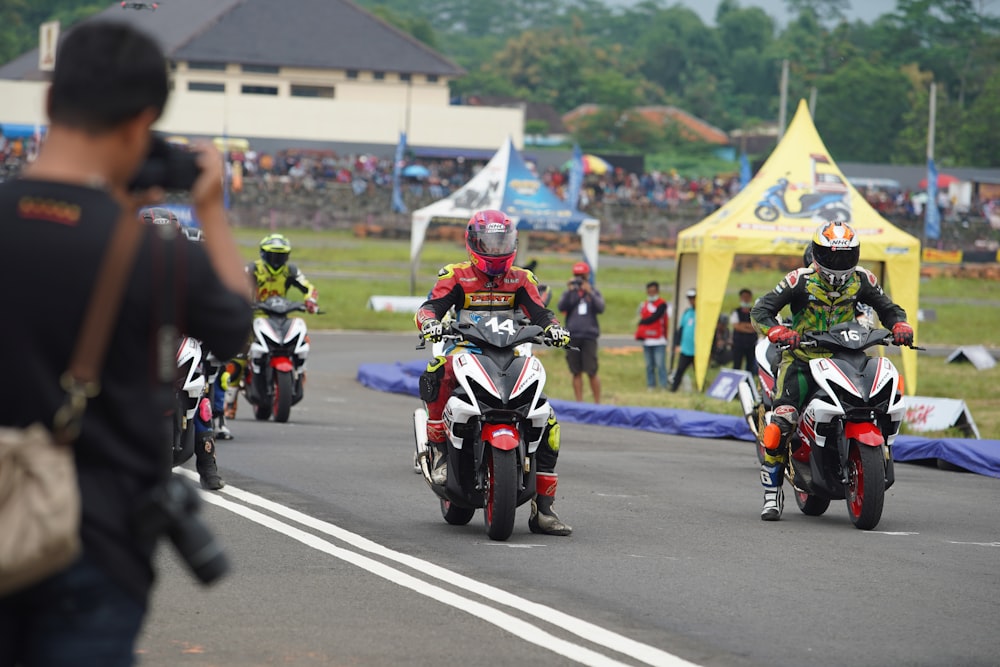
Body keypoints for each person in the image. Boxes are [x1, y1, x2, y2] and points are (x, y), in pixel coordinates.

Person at [0, 21, 251, 665]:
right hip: (95, 545)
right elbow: (233, 328)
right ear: (145, 120)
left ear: (50, 103)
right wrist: (212, 207)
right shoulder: (157, 254)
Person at [415, 209, 573, 536]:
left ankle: (544, 510)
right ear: (472, 242)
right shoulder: (455, 275)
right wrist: (430, 323)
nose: (496, 248)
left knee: (547, 417)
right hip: (466, 350)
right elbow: (432, 306)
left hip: (511, 353)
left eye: (502, 241)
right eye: (488, 241)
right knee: (437, 369)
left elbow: (542, 313)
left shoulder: (522, 278)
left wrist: (556, 329)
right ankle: (440, 451)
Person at [750, 221, 914, 521]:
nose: (839, 263)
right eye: (832, 255)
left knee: (877, 399)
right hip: (801, 361)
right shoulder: (798, 280)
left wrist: (899, 325)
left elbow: (888, 308)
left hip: (847, 356)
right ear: (816, 253)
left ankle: (875, 452)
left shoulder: (863, 278)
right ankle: (771, 494)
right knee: (781, 423)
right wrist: (776, 332)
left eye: (846, 255)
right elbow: (760, 310)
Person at [139, 207, 226, 489]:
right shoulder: (120, 266)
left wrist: (213, 323)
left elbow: (210, 302)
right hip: (135, 343)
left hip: (180, 338)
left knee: (199, 395)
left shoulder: (188, 269)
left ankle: (208, 465)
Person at [224, 233, 319, 418]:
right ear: (263, 253)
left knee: (302, 339)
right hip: (254, 316)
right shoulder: (252, 269)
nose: (277, 260)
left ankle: (300, 372)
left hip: (280, 315)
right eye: (273, 255)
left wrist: (310, 301)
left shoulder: (290, 270)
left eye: (281, 256)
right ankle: (230, 402)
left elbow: (309, 287)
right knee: (239, 354)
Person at [557, 261, 605, 403]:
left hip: (589, 336)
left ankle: (597, 402)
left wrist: (589, 291)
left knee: (592, 370)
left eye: (582, 277)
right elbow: (561, 307)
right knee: (576, 371)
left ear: (587, 276)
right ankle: (579, 402)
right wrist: (571, 290)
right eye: (577, 276)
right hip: (573, 335)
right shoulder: (570, 293)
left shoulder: (593, 291)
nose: (579, 279)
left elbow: (601, 308)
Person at [635, 281, 669, 390]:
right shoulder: (644, 305)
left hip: (659, 340)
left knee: (660, 365)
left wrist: (643, 321)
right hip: (647, 340)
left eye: (653, 291)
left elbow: (655, 317)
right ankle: (651, 385)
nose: (651, 293)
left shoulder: (662, 304)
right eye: (649, 291)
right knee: (649, 365)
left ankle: (663, 385)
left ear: (657, 291)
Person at [669, 288, 698, 392]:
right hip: (686, 348)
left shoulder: (702, 313)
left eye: (693, 298)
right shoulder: (687, 312)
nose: (691, 300)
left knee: (698, 372)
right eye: (689, 298)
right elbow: (681, 328)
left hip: (698, 349)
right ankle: (673, 389)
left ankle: (700, 389)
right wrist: (676, 343)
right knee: (680, 369)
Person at [730, 288, 758, 374]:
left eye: (747, 297)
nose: (745, 299)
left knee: (750, 365)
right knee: (737, 364)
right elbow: (736, 326)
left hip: (751, 343)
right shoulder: (736, 312)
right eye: (743, 297)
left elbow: (756, 326)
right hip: (739, 343)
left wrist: (743, 325)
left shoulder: (755, 312)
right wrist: (749, 327)